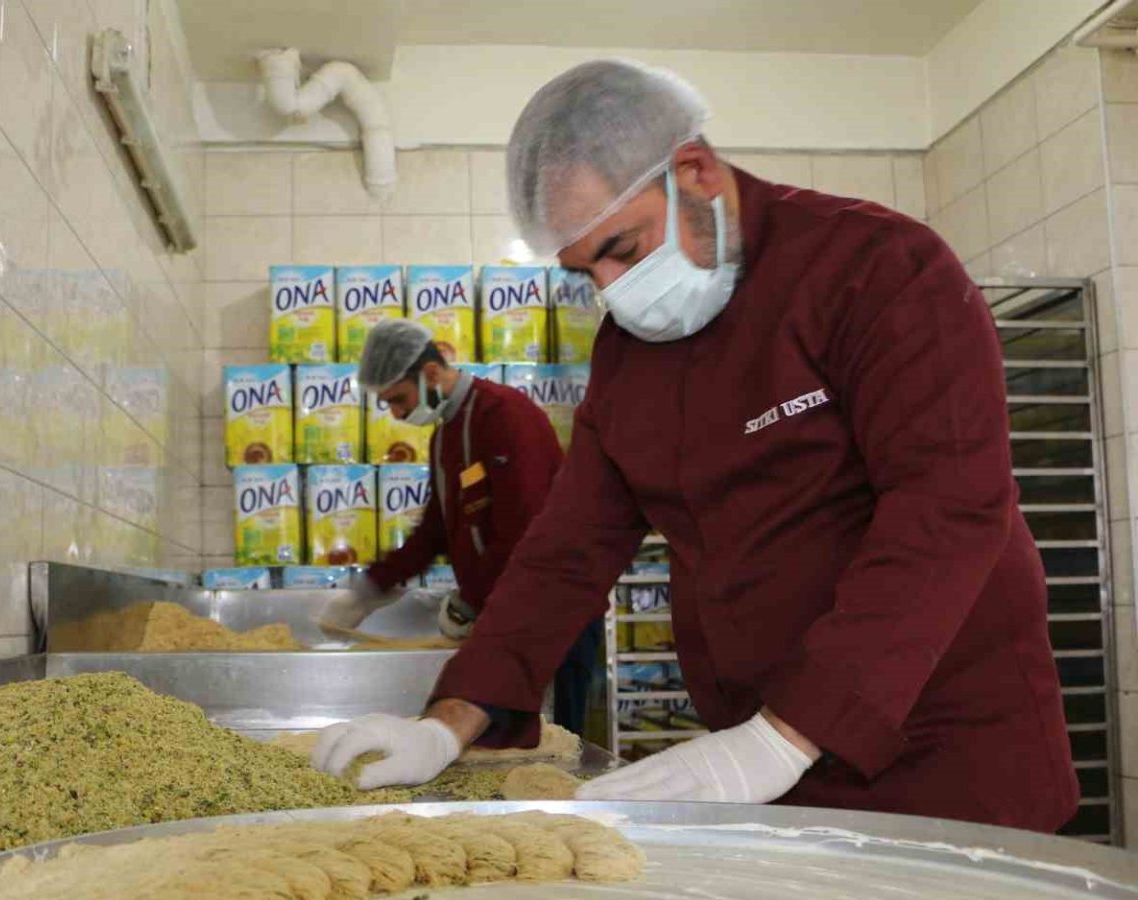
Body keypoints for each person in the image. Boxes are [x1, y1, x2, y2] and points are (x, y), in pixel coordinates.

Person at [313, 59, 1079, 833]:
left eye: (623, 247)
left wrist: (782, 737)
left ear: (696, 173)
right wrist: (447, 721)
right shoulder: (629, 356)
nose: (612, 289)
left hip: (941, 748)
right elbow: (565, 552)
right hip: (767, 751)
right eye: (586, 271)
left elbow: (948, 510)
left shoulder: (876, 268)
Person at [319, 320, 604, 786]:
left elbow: (527, 532)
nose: (396, 414)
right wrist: (370, 588)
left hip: (556, 615)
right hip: (503, 618)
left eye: (398, 399)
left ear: (431, 374)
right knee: (503, 753)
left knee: (556, 753)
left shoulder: (505, 416)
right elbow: (435, 530)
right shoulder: (446, 437)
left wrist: (472, 603)